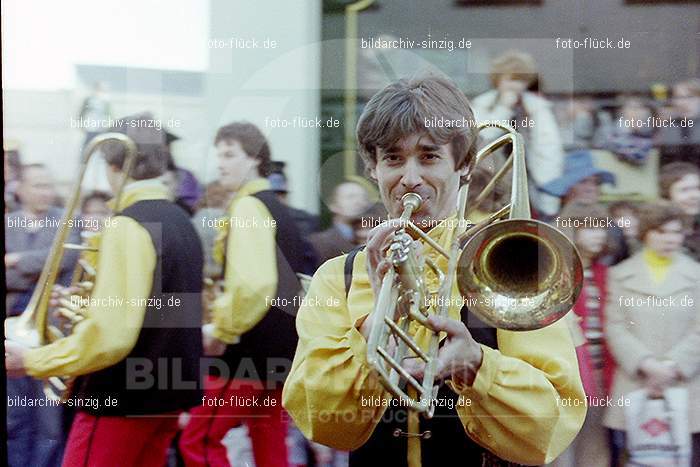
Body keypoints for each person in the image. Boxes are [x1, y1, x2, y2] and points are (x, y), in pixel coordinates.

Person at [282, 76, 586, 466]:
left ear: (463, 166)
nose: (410, 178)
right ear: (373, 168)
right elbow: (322, 423)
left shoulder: (510, 264)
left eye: (428, 157)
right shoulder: (336, 277)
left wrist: (478, 365)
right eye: (393, 158)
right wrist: (373, 329)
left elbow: (552, 426)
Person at [5, 123, 205, 466]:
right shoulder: (181, 220)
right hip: (167, 395)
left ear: (114, 167)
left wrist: (34, 361)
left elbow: (111, 337)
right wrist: (82, 304)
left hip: (120, 398)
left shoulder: (129, 224)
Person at [179, 122, 314, 467]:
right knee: (269, 444)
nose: (220, 163)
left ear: (254, 159)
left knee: (199, 439)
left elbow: (254, 285)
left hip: (246, 355)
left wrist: (221, 331)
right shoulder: (278, 207)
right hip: (281, 352)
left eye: (229, 154)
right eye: (219, 155)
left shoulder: (248, 206)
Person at [603, 201, 700, 466]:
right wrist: (646, 364)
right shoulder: (620, 275)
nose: (670, 239)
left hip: (685, 385)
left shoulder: (695, 275)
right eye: (661, 231)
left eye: (676, 232)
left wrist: (671, 367)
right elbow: (615, 327)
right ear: (646, 233)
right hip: (636, 384)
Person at [5, 163, 79, 467]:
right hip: (12, 323)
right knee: (14, 413)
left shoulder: (66, 222)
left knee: (48, 414)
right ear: (21, 189)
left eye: (48, 185)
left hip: (51, 328)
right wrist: (37, 268)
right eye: (37, 185)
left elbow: (62, 259)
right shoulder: (8, 222)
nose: (45, 192)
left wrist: (16, 260)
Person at [553, 202, 615, 467]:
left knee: (594, 447)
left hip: (600, 372)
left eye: (601, 227)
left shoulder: (606, 273)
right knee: (561, 446)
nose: (598, 234)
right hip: (568, 374)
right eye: (589, 227)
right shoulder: (557, 271)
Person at [471, 50, 565, 217]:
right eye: (511, 79)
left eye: (521, 80)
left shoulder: (538, 108)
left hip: (528, 182)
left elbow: (549, 149)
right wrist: (504, 109)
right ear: (498, 79)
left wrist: (548, 186)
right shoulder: (482, 105)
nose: (515, 85)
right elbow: (481, 140)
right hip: (491, 181)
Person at [309, 181, 371, 265]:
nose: (360, 202)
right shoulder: (319, 243)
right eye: (351, 197)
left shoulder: (375, 238)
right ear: (333, 205)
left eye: (364, 198)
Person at [659, 161, 700, 261]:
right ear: (667, 196)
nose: (694, 196)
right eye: (684, 190)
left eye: (697, 188)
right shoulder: (658, 233)